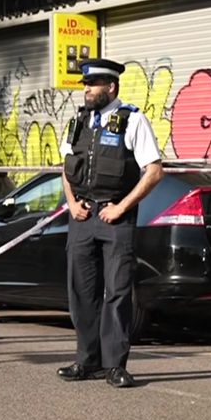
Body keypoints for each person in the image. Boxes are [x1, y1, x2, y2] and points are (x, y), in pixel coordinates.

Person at [57, 57, 164, 389]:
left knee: (116, 292)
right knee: (82, 293)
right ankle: (87, 361)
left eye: (92, 85)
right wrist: (71, 203)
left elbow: (155, 171)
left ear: (111, 87)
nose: (86, 90)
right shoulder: (78, 121)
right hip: (83, 218)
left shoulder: (132, 120)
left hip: (115, 220)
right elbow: (65, 166)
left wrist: (121, 207)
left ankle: (115, 365)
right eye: (85, 85)